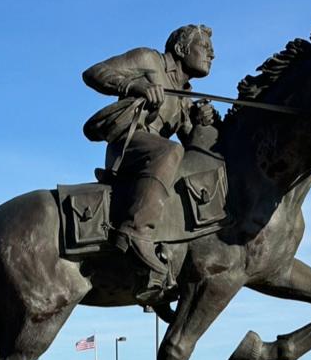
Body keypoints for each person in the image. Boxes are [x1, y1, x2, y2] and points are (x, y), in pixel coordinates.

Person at [83, 24, 217, 275]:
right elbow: (93, 73)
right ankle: (135, 231)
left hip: (157, 155)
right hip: (128, 146)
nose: (212, 55)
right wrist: (135, 86)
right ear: (181, 48)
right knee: (171, 151)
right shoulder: (149, 59)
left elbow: (191, 144)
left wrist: (201, 120)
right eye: (205, 47)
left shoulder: (185, 96)